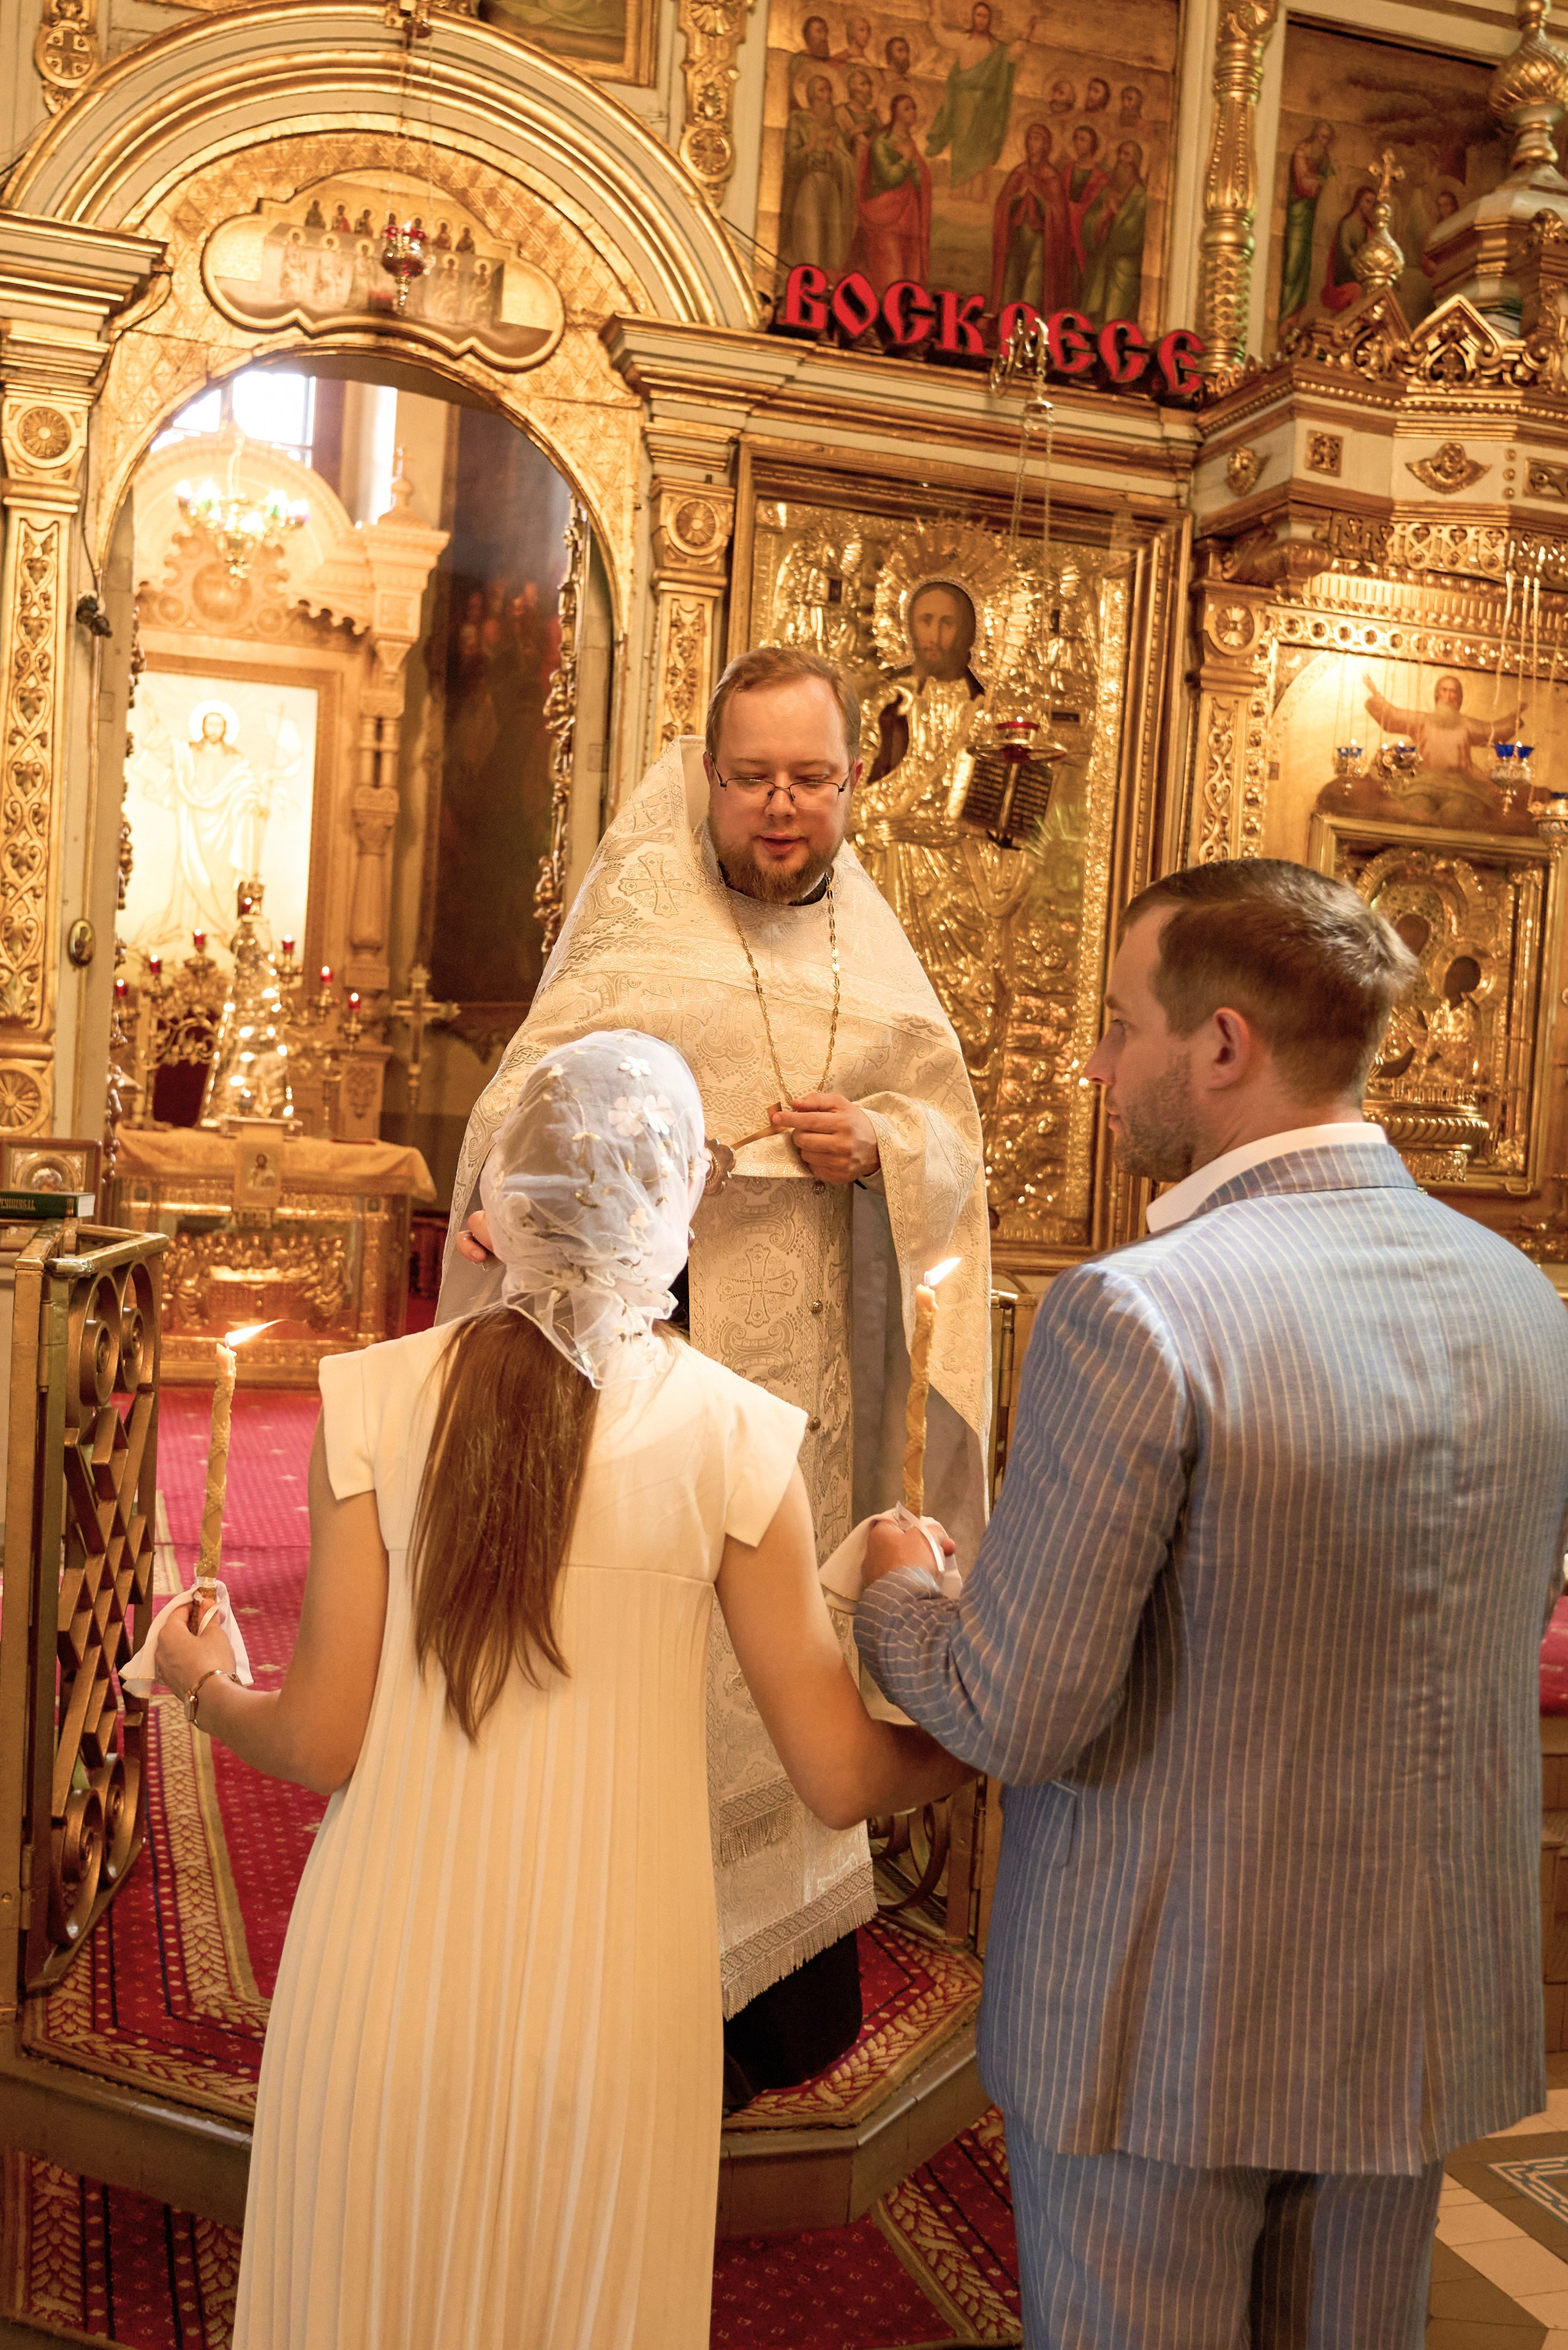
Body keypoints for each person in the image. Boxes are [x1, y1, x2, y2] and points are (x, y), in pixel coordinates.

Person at [154, 1031, 969, 2349]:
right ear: (684, 1210)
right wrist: (977, 1711)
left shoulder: (374, 1401)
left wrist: (200, 1683)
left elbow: (315, 1737)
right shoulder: (733, 1436)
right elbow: (844, 1775)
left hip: (381, 1977)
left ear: (490, 1213)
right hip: (616, 1993)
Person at [854, 857, 1568, 2348]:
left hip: (1162, 2020)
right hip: (1417, 2005)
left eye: (1120, 1025)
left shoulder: (1137, 1307)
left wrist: (899, 1591)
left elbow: (1016, 1706)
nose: (1098, 1063)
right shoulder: (1517, 1296)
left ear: (1223, 1044)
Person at [440, 647, 990, 2107]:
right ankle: (601, 1999)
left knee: (783, 1675)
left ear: (852, 784)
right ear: (706, 777)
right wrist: (566, 1187)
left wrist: (880, 1147)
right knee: (640, 1675)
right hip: (642, 1403)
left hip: (813, 1406)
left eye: (809, 778)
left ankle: (777, 2012)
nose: (779, 808)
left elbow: (953, 1145)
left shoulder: (878, 959)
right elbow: (515, 1121)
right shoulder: (636, 936)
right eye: (750, 777)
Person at [924, 0, 1038, 200]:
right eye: (978, 15)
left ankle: (978, 191)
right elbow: (941, 36)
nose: (981, 20)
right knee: (961, 143)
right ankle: (958, 187)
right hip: (965, 102)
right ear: (972, 18)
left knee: (980, 147)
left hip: (986, 107)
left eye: (985, 16)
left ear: (990, 21)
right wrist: (933, 12)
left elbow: (1015, 53)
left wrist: (1029, 30)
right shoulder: (963, 41)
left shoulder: (997, 48)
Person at [851, 91, 933, 290]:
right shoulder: (881, 143)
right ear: (895, 114)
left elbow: (920, 180)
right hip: (885, 214)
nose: (913, 111)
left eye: (914, 107)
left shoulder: (910, 143)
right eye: (907, 108)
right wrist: (906, 161)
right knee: (890, 271)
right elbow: (890, 177)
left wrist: (914, 169)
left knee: (908, 272)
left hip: (909, 217)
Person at [989, 122, 1073, 314]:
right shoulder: (1018, 173)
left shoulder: (1051, 177)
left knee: (1032, 291)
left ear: (1046, 145)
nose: (1031, 143)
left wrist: (1039, 195)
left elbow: (1059, 215)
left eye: (1037, 138)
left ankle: (1029, 331)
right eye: (1029, 138)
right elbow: (1002, 205)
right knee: (1010, 285)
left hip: (1039, 241)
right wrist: (1018, 196)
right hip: (1017, 237)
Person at [782, 75, 857, 276]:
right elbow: (789, 160)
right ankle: (808, 277)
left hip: (831, 187)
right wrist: (808, 148)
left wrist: (835, 153)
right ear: (810, 96)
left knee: (831, 241)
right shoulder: (798, 120)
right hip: (810, 184)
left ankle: (828, 283)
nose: (827, 97)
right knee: (811, 234)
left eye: (829, 91)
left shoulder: (834, 127)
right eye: (821, 91)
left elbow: (847, 163)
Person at [1078, 137, 1147, 325]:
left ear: (1137, 161)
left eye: (1128, 154)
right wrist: (1101, 217)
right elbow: (1088, 223)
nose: (1122, 159)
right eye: (1120, 154)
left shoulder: (1140, 196)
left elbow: (1134, 234)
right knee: (1093, 319)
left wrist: (1114, 212)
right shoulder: (1106, 191)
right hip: (1100, 264)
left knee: (1114, 320)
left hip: (1123, 270)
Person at [1278, 119, 1335, 331]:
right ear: (1314, 135)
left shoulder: (1324, 158)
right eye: (1322, 137)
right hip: (1298, 216)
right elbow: (1305, 185)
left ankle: (1295, 318)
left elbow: (1329, 183)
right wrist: (1318, 182)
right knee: (1293, 265)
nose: (1325, 142)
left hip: (1311, 219)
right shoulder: (1302, 151)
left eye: (1328, 139)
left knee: (1305, 267)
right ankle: (1286, 318)